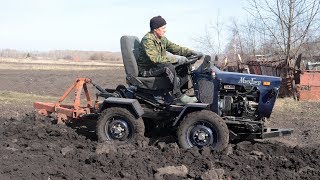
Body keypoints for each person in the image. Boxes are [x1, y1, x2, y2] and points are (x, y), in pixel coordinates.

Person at [138, 15, 203, 105]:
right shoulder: (148, 40)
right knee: (168, 67)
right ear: (155, 29)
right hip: (147, 69)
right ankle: (178, 96)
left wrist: (191, 52)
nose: (165, 30)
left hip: (156, 67)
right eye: (163, 28)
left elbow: (176, 48)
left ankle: (181, 91)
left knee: (183, 66)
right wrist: (176, 58)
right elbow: (156, 59)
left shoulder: (162, 39)